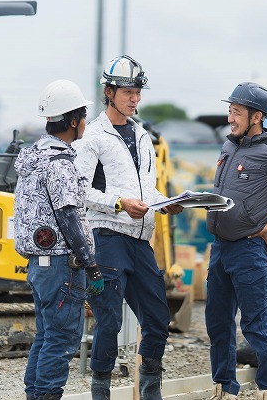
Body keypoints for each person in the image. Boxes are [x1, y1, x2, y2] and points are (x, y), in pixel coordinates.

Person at [73, 55, 184, 400]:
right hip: (107, 238)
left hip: (140, 240)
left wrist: (166, 203)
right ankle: (100, 392)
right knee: (109, 321)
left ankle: (150, 393)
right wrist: (119, 204)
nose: (135, 98)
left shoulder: (142, 135)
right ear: (109, 92)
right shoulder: (93, 136)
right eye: (128, 92)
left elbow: (145, 190)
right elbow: (78, 189)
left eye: (138, 92)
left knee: (157, 320)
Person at [206, 81, 267, 400]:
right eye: (229, 111)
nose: (230, 118)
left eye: (236, 112)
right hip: (220, 248)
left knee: (255, 324)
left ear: (256, 116)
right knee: (217, 322)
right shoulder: (228, 147)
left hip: (249, 250)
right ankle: (225, 386)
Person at [13, 79, 105, 400]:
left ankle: (35, 396)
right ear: (70, 121)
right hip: (61, 267)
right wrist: (92, 266)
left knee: (46, 337)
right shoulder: (60, 164)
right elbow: (68, 217)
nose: (85, 122)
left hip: (39, 267)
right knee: (62, 340)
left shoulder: (34, 157)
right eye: (82, 115)